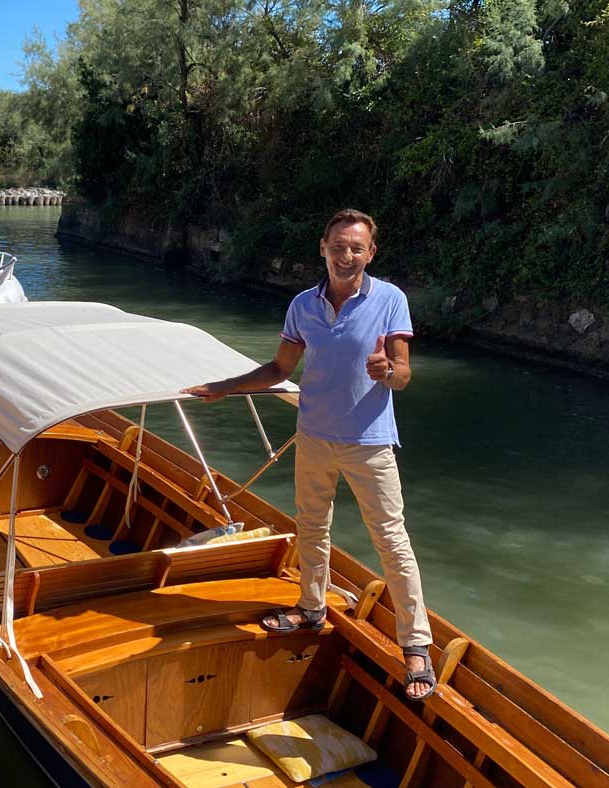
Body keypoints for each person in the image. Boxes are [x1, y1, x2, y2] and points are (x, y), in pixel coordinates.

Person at [182, 208, 437, 701]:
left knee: (391, 540)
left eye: (356, 248)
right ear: (322, 248)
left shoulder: (390, 300)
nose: (347, 256)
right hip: (314, 435)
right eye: (338, 246)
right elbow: (279, 368)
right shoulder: (302, 305)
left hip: (370, 442)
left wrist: (388, 370)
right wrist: (223, 388)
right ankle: (311, 607)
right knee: (311, 527)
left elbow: (403, 376)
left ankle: (417, 644)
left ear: (370, 253)